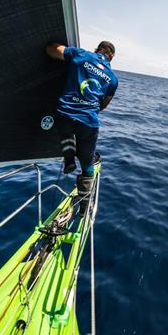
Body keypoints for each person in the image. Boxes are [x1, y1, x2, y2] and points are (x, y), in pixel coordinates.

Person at [45, 40, 118, 214]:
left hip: (64, 113)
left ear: (97, 49)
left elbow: (52, 50)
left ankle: (69, 157)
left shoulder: (82, 54)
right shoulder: (113, 79)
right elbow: (104, 104)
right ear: (111, 56)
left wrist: (52, 46)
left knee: (66, 126)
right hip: (89, 121)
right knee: (87, 165)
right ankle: (85, 207)